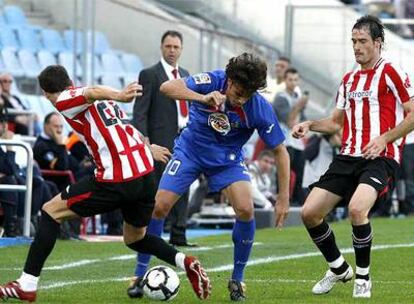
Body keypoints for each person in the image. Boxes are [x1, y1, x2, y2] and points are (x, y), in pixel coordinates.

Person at [0, 65, 211, 302]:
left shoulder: (65, 99)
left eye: (47, 95)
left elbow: (91, 92)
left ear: (48, 92)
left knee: (50, 212)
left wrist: (120, 94)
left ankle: (26, 284)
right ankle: (186, 261)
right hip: (145, 173)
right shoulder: (107, 105)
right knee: (136, 238)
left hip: (117, 178)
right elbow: (123, 129)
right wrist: (146, 148)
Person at [133, 52, 291, 301]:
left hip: (226, 160)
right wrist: (201, 97)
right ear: (228, 81)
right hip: (190, 151)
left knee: (246, 209)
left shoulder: (258, 107)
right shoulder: (212, 80)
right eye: (238, 93)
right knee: (159, 206)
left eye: (247, 95)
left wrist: (283, 197)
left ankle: (237, 280)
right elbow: (167, 87)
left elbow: (281, 151)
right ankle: (140, 274)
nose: (241, 101)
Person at [292, 15, 414, 298]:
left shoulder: (392, 72)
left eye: (362, 41)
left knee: (357, 209)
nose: (357, 47)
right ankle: (338, 268)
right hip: (347, 156)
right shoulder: (348, 80)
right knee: (310, 213)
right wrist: (310, 125)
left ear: (378, 43)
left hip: (381, 156)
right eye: (354, 42)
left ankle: (363, 277)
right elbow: (336, 122)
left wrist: (385, 138)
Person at [131, 30, 193, 251]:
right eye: (168, 46)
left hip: (185, 141)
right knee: (158, 190)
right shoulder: (149, 74)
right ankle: (151, 235)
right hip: (159, 141)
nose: (172, 51)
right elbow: (140, 111)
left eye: (176, 47)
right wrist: (145, 141)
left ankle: (179, 234)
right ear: (161, 47)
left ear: (181, 49)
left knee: (184, 186)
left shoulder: (185, 75)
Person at [273, 68, 309, 205]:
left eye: (295, 79)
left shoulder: (296, 97)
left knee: (300, 174)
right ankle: (281, 199)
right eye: (290, 79)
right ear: (285, 80)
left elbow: (302, 121)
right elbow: (289, 122)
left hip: (297, 142)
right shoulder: (280, 98)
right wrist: (299, 106)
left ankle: (297, 201)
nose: (293, 82)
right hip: (285, 141)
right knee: (284, 173)